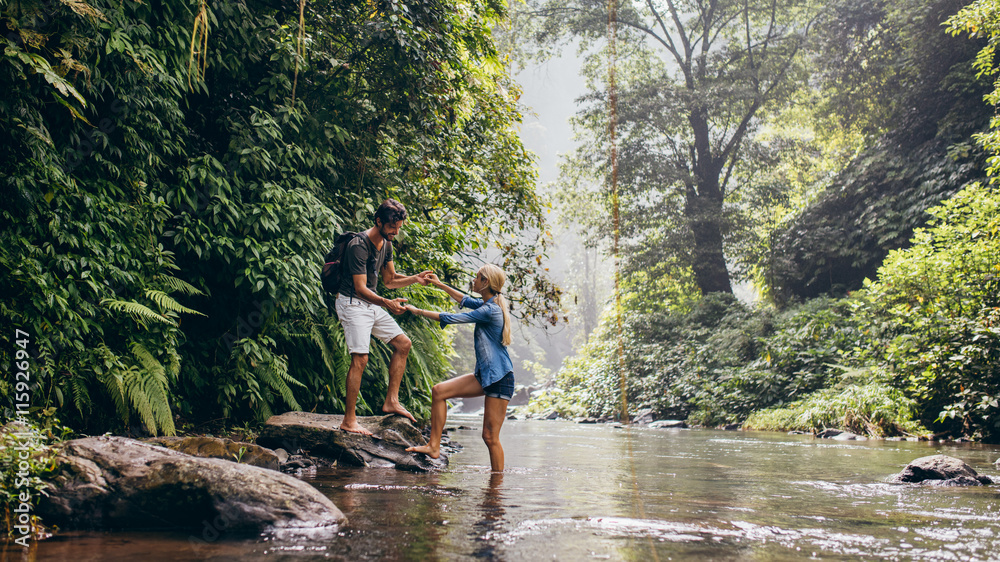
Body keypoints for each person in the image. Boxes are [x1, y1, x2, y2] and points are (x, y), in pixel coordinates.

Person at [404, 264, 514, 472]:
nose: (473, 280)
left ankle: (497, 489)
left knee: (490, 437)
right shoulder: (487, 304)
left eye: (477, 277)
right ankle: (433, 446)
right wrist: (438, 284)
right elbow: (463, 300)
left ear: (485, 282)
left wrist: (416, 310)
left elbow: (452, 317)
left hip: (500, 378)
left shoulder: (490, 310)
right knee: (439, 391)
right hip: (485, 376)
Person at [335, 199, 431, 435]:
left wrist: (415, 278)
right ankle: (349, 420)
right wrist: (386, 303)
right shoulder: (358, 245)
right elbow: (360, 288)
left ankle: (392, 401)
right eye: (391, 227)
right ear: (378, 221)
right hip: (352, 303)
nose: (395, 232)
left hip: (370, 303)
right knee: (361, 359)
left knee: (403, 344)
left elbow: (389, 280)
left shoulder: (386, 243)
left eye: (398, 228)